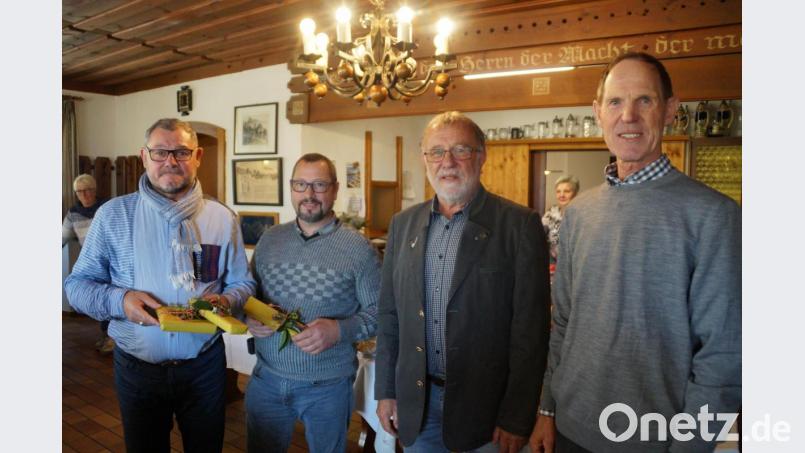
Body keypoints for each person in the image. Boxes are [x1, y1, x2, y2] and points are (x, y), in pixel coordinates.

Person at [529, 53, 741, 453]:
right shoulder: (577, 213)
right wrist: (548, 410)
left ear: (670, 111)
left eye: (644, 100)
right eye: (614, 102)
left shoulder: (714, 217)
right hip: (570, 431)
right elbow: (564, 325)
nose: (628, 115)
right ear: (598, 113)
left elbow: (724, 359)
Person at [65, 118, 256, 453]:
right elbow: (77, 286)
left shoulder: (222, 218)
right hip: (137, 370)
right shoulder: (113, 216)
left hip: (205, 368)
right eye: (160, 152)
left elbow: (243, 282)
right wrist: (120, 300)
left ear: (197, 156)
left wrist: (227, 301)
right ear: (144, 156)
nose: (170, 161)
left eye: (181, 152)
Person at [375, 111, 551, 453]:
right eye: (436, 152)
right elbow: (389, 317)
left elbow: (531, 334)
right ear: (425, 159)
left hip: (486, 413)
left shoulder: (519, 225)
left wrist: (517, 416)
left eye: (461, 150)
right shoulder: (402, 224)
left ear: (482, 156)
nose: (448, 162)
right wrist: (386, 391)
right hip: (418, 405)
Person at [245, 153, 380, 453]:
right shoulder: (269, 240)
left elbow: (381, 314)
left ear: (334, 189)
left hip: (327, 388)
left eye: (319, 185)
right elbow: (249, 297)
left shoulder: (359, 249)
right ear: (291, 188)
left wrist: (339, 330)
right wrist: (250, 317)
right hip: (266, 380)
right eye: (300, 184)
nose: (309, 194)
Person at [62, 173, 114, 353]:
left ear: (94, 190)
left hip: (113, 258)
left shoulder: (107, 208)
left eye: (88, 190)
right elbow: (62, 236)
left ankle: (112, 338)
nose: (84, 195)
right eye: (79, 191)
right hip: (93, 262)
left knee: (111, 296)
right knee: (101, 298)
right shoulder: (73, 213)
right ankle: (107, 335)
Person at [541, 175, 579, 276]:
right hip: (552, 267)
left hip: (575, 267)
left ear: (575, 193)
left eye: (567, 191)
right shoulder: (551, 213)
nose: (561, 195)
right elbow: (538, 236)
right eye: (558, 191)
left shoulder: (582, 214)